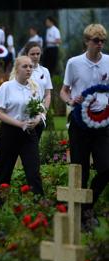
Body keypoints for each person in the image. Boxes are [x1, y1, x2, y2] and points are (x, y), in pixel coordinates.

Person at [60, 23, 109, 218]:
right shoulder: (74, 63)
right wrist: (71, 100)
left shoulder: (108, 61)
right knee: (81, 170)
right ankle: (80, 216)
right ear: (87, 42)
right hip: (79, 122)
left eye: (103, 41)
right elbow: (64, 91)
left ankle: (88, 206)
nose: (100, 44)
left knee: (106, 168)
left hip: (103, 122)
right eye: (96, 41)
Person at [0, 56, 45, 201]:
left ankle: (40, 206)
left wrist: (37, 119)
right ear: (17, 69)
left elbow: (40, 110)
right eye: (25, 66)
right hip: (9, 133)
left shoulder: (35, 87)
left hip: (29, 133)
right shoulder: (7, 87)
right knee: (4, 171)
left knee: (33, 172)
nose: (29, 69)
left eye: (30, 67)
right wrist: (19, 123)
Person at [21, 42, 52, 139]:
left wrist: (43, 113)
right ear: (27, 54)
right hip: (23, 113)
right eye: (32, 54)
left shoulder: (45, 71)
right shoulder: (20, 70)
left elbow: (47, 94)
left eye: (38, 54)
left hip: (39, 114)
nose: (35, 56)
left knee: (34, 144)